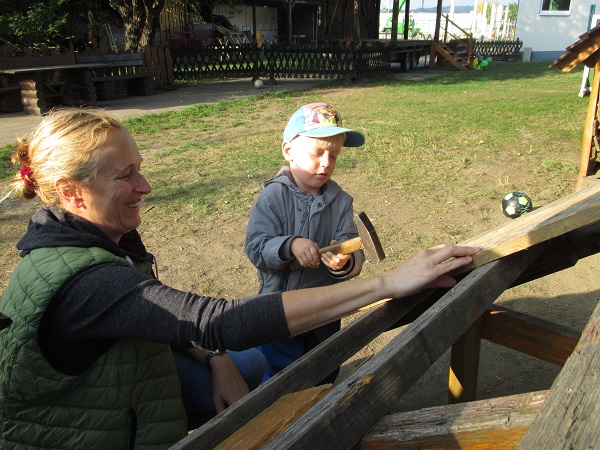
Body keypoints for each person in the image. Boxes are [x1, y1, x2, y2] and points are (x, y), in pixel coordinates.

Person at [0, 107, 478, 449]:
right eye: (126, 176)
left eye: (140, 170)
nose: (145, 186)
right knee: (270, 376)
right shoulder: (86, 281)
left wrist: (215, 359)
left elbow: (160, 319)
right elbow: (212, 320)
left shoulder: (102, 240)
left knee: (261, 370)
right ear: (72, 192)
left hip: (128, 392)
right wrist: (386, 284)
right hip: (87, 432)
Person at [244, 102, 367, 384]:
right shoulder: (273, 198)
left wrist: (345, 261)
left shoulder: (341, 201)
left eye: (333, 155)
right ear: (289, 151)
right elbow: (256, 247)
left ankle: (320, 407)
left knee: (325, 367)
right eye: (317, 153)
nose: (326, 163)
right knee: (279, 376)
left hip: (325, 309)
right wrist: (290, 245)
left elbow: (351, 242)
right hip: (280, 309)